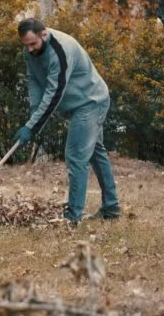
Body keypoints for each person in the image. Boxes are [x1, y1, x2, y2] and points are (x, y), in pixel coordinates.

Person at [14, 18, 120, 224]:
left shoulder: (61, 50)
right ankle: (111, 207)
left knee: (76, 156)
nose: (29, 49)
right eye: (25, 45)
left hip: (91, 102)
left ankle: (72, 217)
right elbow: (33, 79)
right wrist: (34, 115)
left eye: (33, 44)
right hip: (77, 104)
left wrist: (32, 127)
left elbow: (55, 94)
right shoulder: (30, 51)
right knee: (96, 154)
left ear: (44, 34)